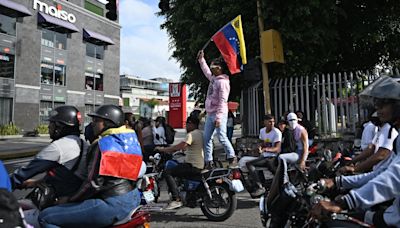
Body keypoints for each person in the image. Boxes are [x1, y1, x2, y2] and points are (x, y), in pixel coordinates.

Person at [311, 76, 400, 227]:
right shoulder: (393, 134)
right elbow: (382, 172)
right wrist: (339, 181)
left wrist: (345, 202)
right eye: (376, 107)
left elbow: (394, 176)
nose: (378, 112)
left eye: (382, 106)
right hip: (392, 214)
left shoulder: (390, 133)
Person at [38, 105, 143, 227]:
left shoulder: (102, 145)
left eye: (97, 120)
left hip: (111, 204)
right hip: (132, 198)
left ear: (109, 123)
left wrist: (70, 199)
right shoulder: (128, 140)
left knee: (46, 217)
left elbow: (92, 183)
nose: (92, 124)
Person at [11, 106, 88, 203]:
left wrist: (7, 182)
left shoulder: (58, 147)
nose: (48, 126)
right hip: (74, 198)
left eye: (51, 123)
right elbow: (66, 172)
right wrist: (35, 182)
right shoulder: (83, 143)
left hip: (59, 201)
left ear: (59, 126)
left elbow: (23, 173)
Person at [197, 50, 237, 169]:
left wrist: (219, 117)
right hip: (211, 113)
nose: (211, 67)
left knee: (222, 136)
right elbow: (207, 72)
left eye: (213, 65)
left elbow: (222, 101)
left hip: (219, 113)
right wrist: (201, 60)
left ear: (219, 68)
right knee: (207, 138)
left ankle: (231, 156)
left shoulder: (222, 83)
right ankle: (209, 161)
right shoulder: (214, 79)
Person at [155, 116, 204, 209]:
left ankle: (176, 199)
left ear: (192, 124)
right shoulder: (201, 133)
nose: (186, 127)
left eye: (187, 124)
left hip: (192, 165)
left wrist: (163, 149)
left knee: (167, 172)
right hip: (200, 164)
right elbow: (187, 147)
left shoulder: (191, 134)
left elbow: (179, 146)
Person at [246, 114, 282, 197]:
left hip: (271, 157)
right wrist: (258, 148)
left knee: (249, 164)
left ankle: (260, 187)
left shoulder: (276, 132)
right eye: (270, 122)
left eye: (273, 121)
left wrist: (266, 149)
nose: (272, 123)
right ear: (265, 122)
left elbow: (277, 149)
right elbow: (262, 143)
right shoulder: (262, 131)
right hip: (263, 156)